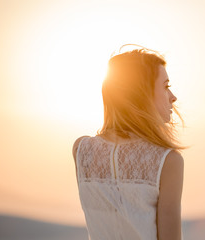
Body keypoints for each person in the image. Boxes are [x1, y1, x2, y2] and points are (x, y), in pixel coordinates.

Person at [72, 45, 185, 240]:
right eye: (166, 86)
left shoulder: (82, 149)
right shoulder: (168, 161)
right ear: (142, 94)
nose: (173, 97)